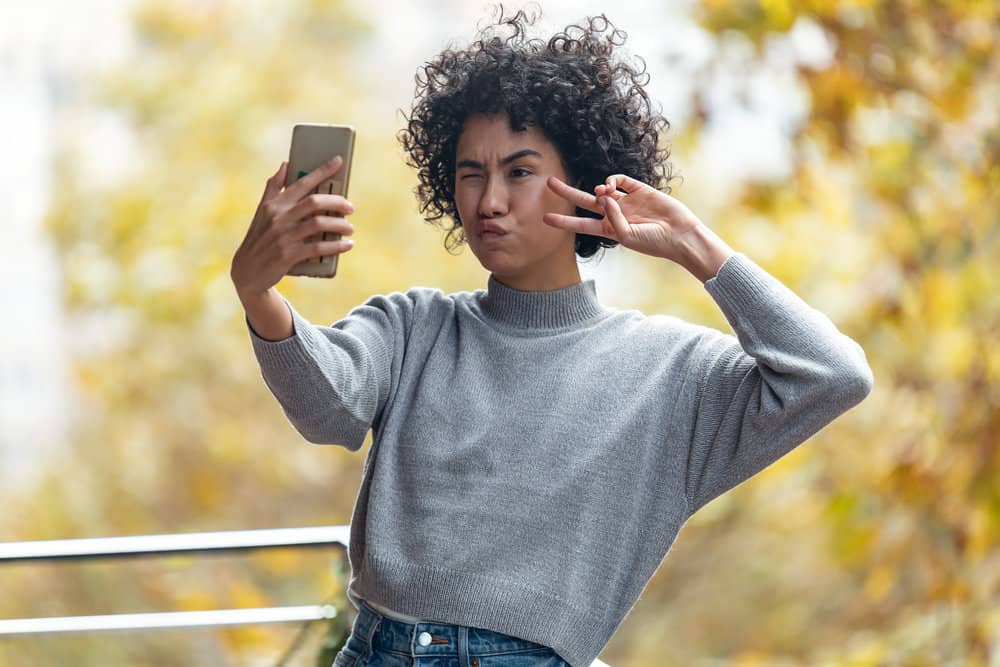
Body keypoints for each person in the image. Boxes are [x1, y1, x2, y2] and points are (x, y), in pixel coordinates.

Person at [230, 6, 874, 667]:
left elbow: (832, 375)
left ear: (586, 184)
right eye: (470, 172)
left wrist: (695, 246)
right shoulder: (412, 327)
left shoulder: (668, 371)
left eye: (519, 171)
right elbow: (323, 408)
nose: (489, 202)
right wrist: (258, 293)